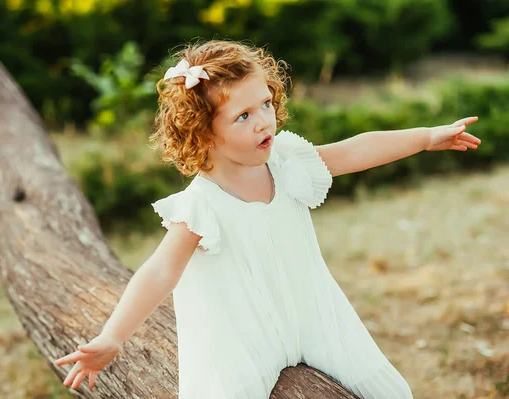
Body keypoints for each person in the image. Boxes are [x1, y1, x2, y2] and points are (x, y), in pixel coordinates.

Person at [54, 39, 481, 398]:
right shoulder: (202, 205)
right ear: (202, 132)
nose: (264, 122)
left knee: (387, 391)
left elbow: (355, 149)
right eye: (243, 116)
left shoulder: (287, 163)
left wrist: (425, 137)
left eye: (265, 104)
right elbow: (159, 272)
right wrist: (112, 337)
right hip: (241, 337)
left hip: (315, 316)